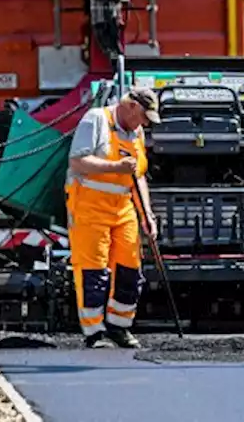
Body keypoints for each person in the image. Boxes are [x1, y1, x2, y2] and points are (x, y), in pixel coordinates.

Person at [66, 88, 161, 349]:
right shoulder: (96, 120)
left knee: (130, 267)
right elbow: (77, 161)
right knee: (93, 269)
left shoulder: (136, 132)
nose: (144, 123)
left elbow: (138, 176)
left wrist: (147, 215)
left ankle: (120, 327)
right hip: (88, 206)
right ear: (130, 106)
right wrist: (115, 167)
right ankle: (95, 332)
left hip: (123, 207)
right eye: (143, 115)